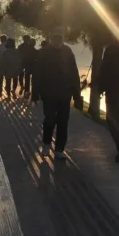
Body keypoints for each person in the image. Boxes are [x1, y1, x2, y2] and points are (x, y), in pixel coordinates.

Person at [32, 30, 80, 160]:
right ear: (51, 38)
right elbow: (37, 74)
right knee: (50, 119)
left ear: (62, 38)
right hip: (49, 93)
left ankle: (59, 149)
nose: (58, 40)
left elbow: (74, 73)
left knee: (63, 122)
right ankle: (47, 144)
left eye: (60, 37)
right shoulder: (44, 52)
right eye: (55, 37)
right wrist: (35, 93)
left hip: (65, 93)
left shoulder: (68, 51)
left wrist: (76, 94)